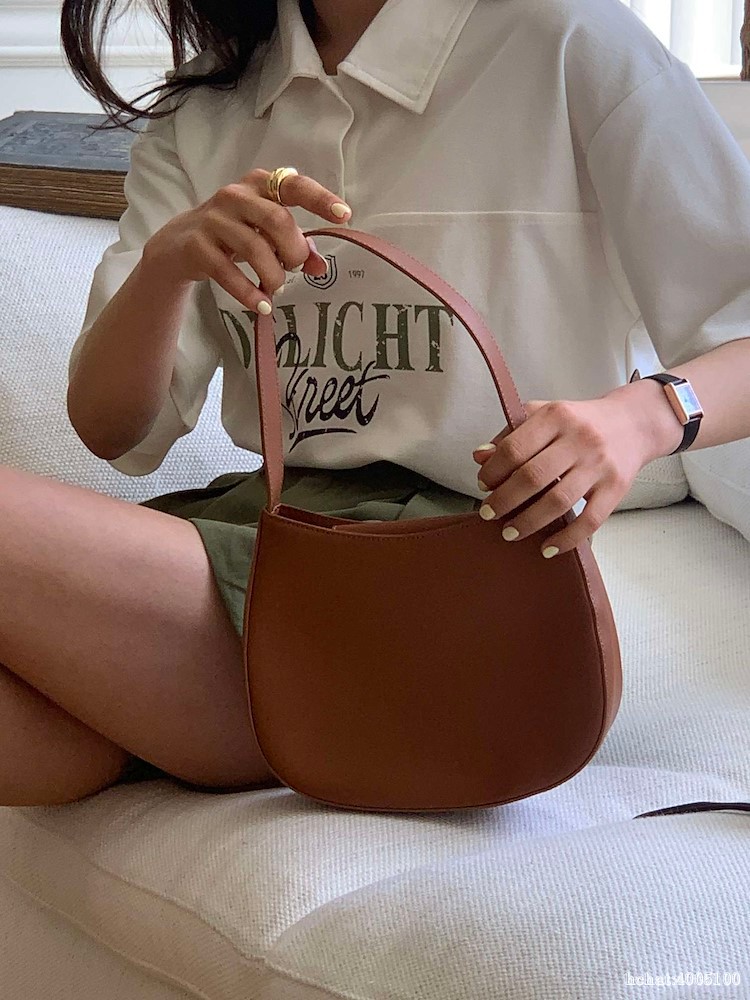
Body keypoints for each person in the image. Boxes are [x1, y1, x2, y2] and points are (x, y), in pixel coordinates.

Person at [1, 0, 749, 807]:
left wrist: (640, 418)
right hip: (285, 532)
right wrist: (165, 268)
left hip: (466, 555)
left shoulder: (568, 40)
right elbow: (111, 429)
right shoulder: (208, 105)